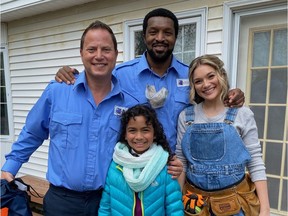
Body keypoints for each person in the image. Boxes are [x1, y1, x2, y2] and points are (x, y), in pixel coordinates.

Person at [54, 8, 245, 155]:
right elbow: (93, 82)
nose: (160, 38)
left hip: (175, 169)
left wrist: (231, 96)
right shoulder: (120, 75)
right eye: (153, 32)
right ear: (144, 36)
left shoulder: (190, 76)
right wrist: (70, 74)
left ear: (175, 37)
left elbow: (212, 102)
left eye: (167, 33)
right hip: (132, 170)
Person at [1, 20, 139, 216]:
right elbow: (32, 132)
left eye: (106, 49)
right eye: (92, 49)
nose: (99, 56)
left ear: (116, 54)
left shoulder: (128, 104)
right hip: (61, 202)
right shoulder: (57, 91)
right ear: (81, 53)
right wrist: (10, 168)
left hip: (108, 201)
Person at [176, 55, 270, 215]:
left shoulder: (242, 114)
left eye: (210, 76)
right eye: (198, 81)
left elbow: (255, 162)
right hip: (195, 205)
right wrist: (175, 205)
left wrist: (265, 209)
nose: (206, 84)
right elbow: (181, 163)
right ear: (193, 86)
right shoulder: (186, 116)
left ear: (222, 75)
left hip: (235, 204)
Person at [98, 104, 184, 215]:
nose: (139, 137)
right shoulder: (116, 165)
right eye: (132, 130)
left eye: (145, 130)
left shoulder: (163, 164)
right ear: (125, 134)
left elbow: (174, 208)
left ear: (154, 134)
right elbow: (106, 207)